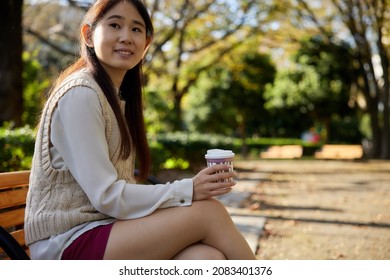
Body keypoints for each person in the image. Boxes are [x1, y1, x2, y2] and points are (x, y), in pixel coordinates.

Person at [24, 0, 256, 260]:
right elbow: (107, 196)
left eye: (136, 29)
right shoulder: (80, 93)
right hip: (66, 244)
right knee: (209, 213)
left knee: (204, 258)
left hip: (104, 230)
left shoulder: (113, 96)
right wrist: (188, 189)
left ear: (146, 43)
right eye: (115, 25)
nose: (126, 37)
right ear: (88, 35)